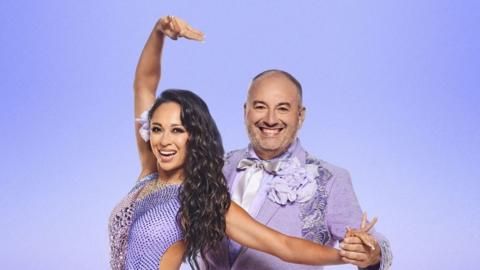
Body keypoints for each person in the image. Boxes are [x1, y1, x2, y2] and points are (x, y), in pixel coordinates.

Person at [108, 16, 358, 270]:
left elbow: (283, 246)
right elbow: (143, 84)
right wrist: (158, 32)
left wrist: (344, 256)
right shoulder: (148, 175)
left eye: (177, 130)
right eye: (158, 129)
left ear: (193, 137)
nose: (164, 140)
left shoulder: (200, 198)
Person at [203, 70, 393, 270]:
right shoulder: (214, 169)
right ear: (246, 111)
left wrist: (373, 252)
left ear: (300, 115)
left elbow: (364, 238)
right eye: (260, 107)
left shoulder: (331, 179)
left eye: (282, 109)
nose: (270, 119)